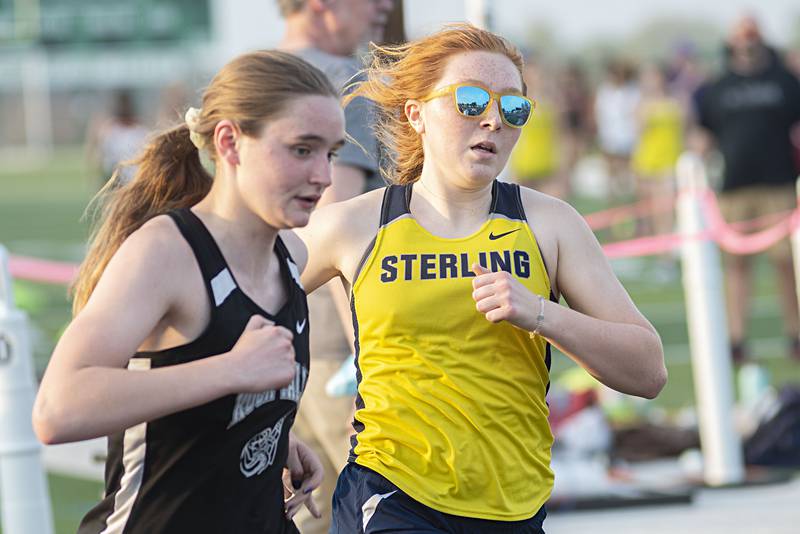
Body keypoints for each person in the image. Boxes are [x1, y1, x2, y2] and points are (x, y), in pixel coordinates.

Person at [297, 24, 667, 532]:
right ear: (416, 113)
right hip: (389, 491)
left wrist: (541, 312)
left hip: (514, 503)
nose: (493, 120)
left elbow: (648, 370)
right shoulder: (352, 224)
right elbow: (242, 309)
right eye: (470, 101)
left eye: (513, 108)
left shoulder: (548, 224)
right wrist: (273, 433)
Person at [32, 50, 346, 533]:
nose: (323, 176)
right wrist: (229, 371)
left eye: (331, 152)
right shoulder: (166, 254)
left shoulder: (292, 256)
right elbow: (58, 409)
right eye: (302, 150)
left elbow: (216, 401)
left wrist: (274, 433)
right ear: (230, 143)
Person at [277, 1, 396, 531]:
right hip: (333, 346)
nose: (385, 7)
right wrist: (369, 357)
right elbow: (338, 228)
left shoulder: (245, 76)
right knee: (374, 514)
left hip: (263, 342)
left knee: (303, 518)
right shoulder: (348, 83)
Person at [693, 14, 800, 364]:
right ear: (733, 43)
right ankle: (736, 337)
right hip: (733, 187)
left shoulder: (785, 81)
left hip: (779, 183)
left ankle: (795, 334)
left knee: (788, 263)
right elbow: (704, 135)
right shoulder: (719, 86)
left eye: (752, 37)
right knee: (737, 266)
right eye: (741, 38)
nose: (747, 44)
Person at [85, 89, 150, 187]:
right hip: (117, 182)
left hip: (136, 182)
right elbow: (102, 159)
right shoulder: (110, 131)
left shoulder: (141, 131)